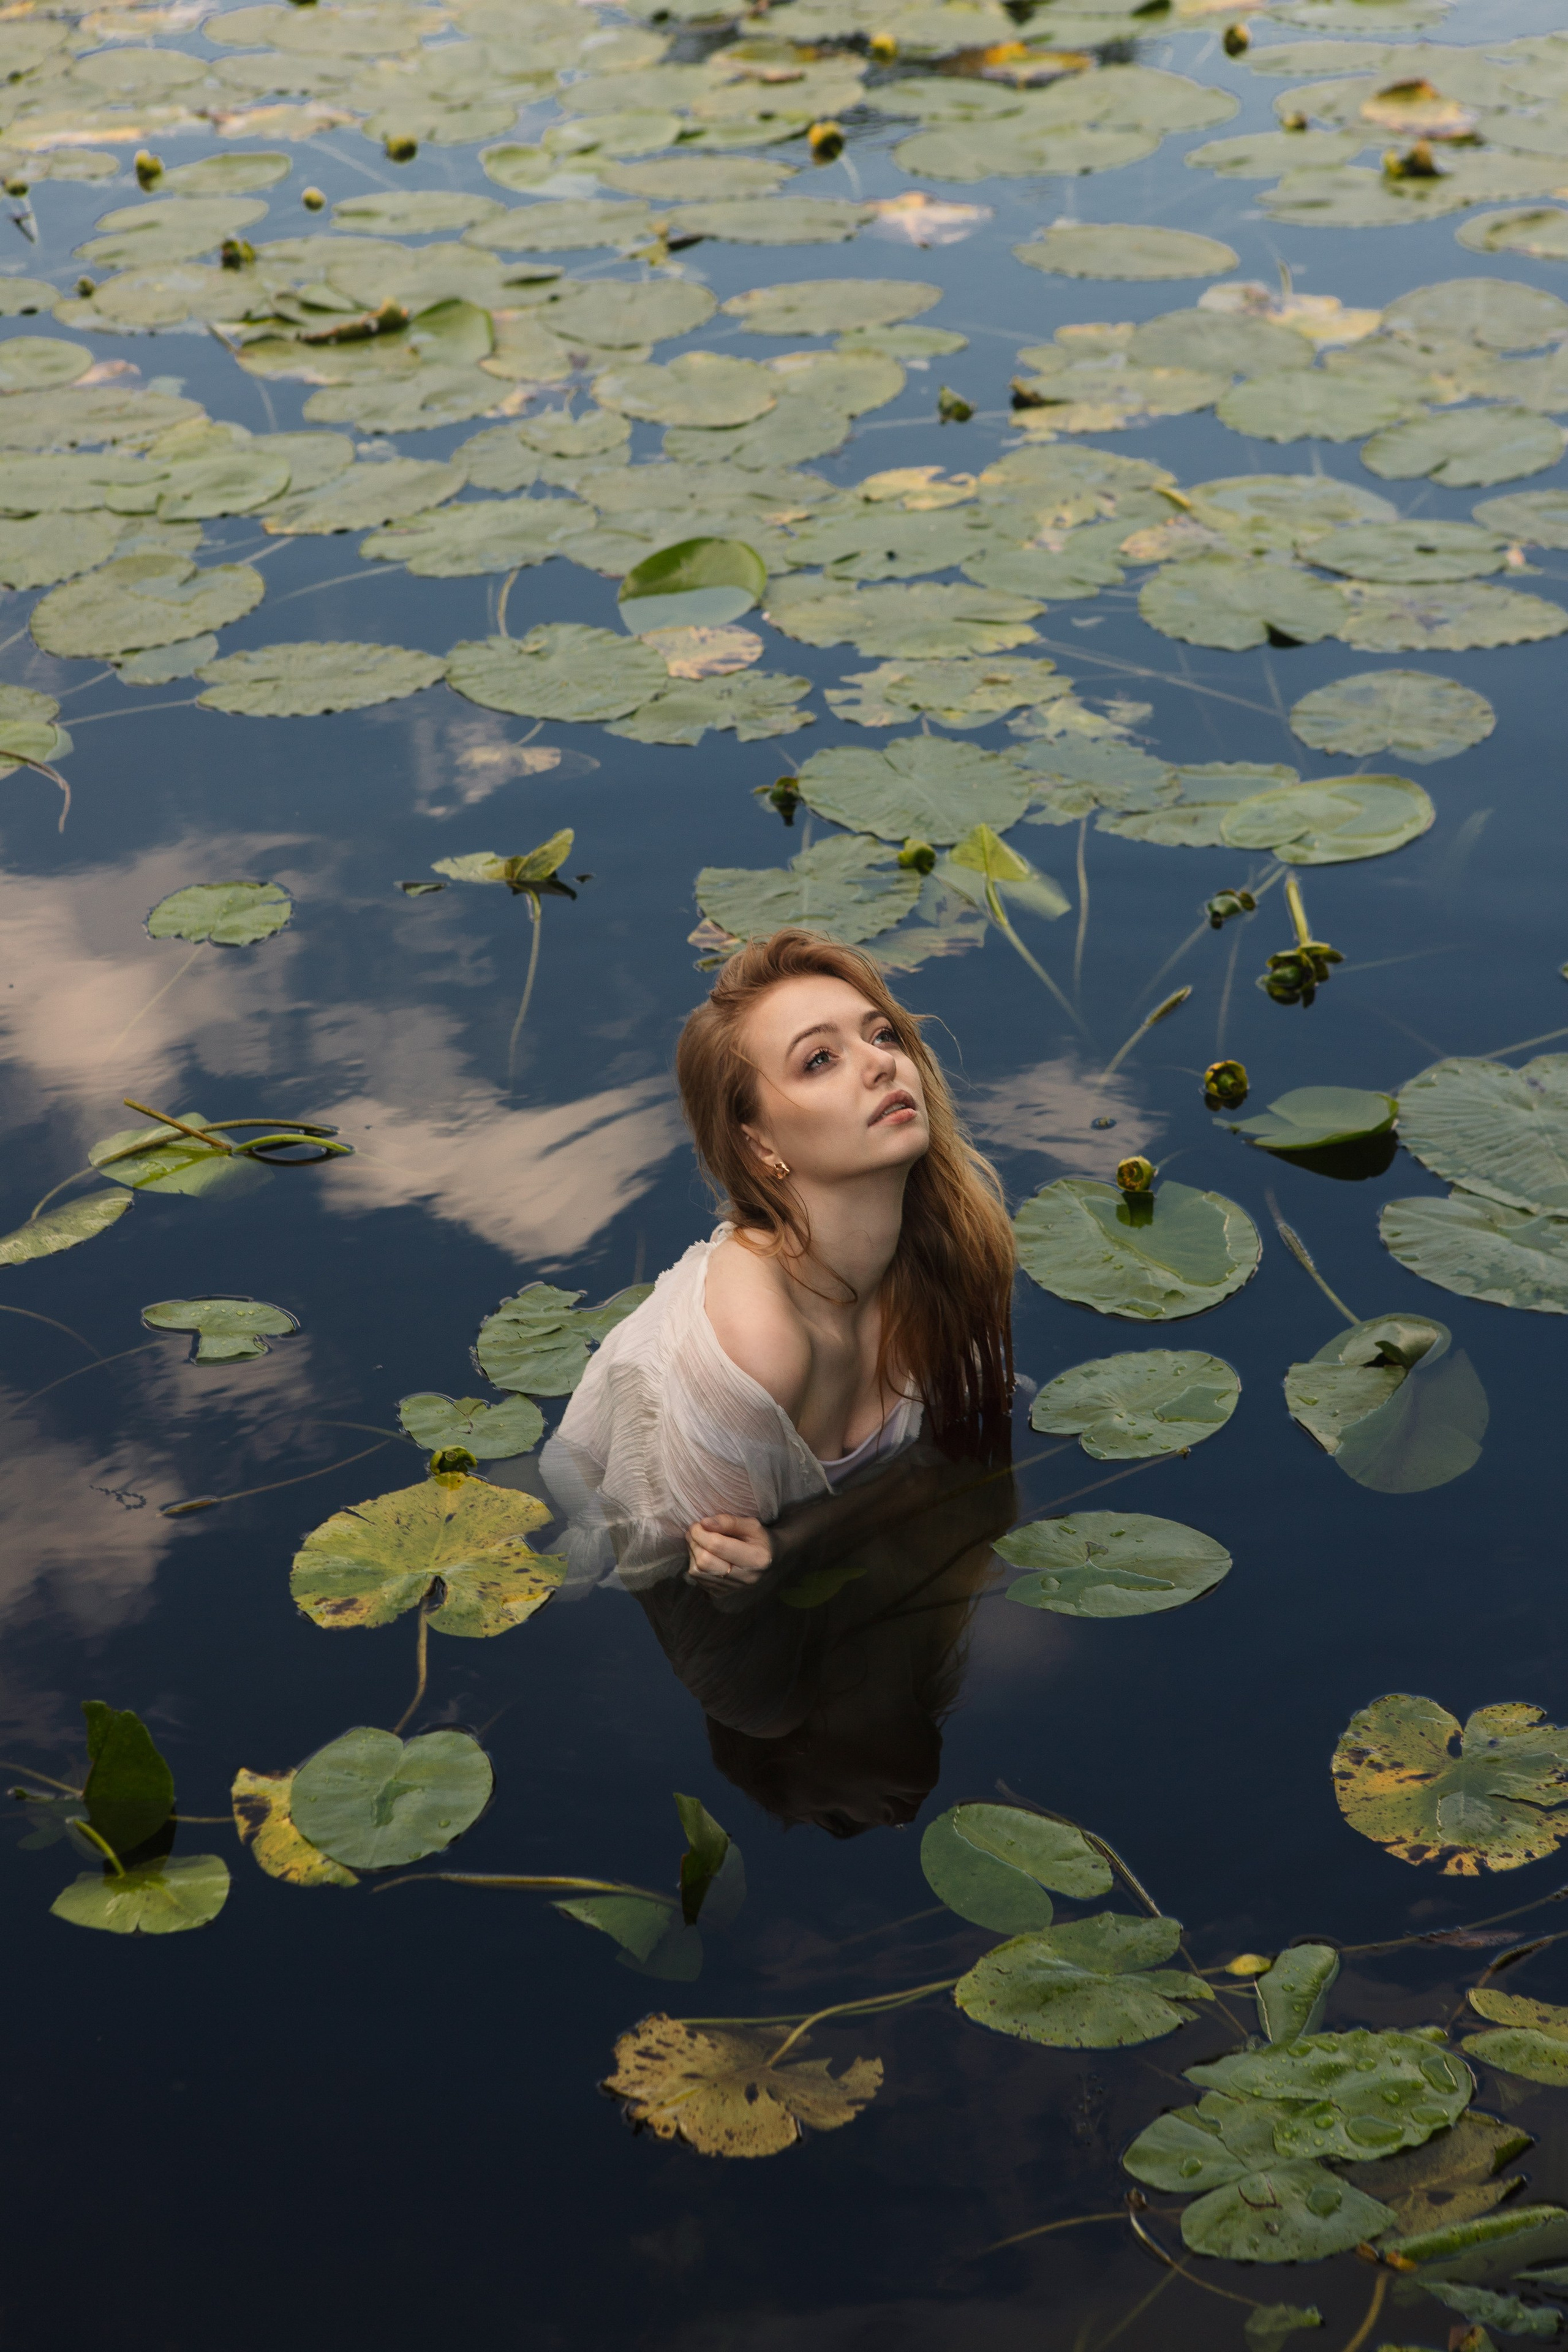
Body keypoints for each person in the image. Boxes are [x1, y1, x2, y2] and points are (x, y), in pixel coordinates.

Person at [540, 927, 1016, 1593]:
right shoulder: (755, 1347)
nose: (881, 1064)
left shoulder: (939, 1257)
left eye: (881, 1035)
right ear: (757, 1140)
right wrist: (748, 1569)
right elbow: (680, 1592)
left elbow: (934, 1468)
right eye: (819, 1059)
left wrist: (792, 1540)